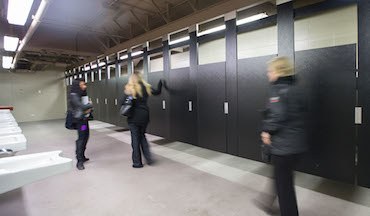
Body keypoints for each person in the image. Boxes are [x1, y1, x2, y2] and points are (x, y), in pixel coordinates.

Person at [258, 57, 308, 216]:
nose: (268, 74)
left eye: (270, 71)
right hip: (296, 145)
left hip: (284, 147)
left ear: (279, 71)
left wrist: (267, 132)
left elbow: (278, 116)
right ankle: (268, 202)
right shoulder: (296, 88)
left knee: (285, 188)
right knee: (283, 180)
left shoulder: (278, 89)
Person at [119, 71, 162, 168]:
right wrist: (160, 84)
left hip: (133, 118)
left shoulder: (130, 88)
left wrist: (128, 92)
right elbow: (157, 92)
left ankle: (137, 163)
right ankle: (149, 159)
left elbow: (121, 101)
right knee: (142, 136)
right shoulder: (146, 87)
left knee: (135, 139)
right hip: (144, 116)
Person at [69, 78, 93, 170]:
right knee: (82, 138)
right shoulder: (74, 95)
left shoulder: (80, 94)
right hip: (80, 122)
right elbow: (82, 107)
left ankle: (82, 156)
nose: (85, 86)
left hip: (84, 119)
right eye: (82, 85)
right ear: (77, 86)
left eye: (84, 84)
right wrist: (90, 104)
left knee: (85, 137)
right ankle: (79, 160)